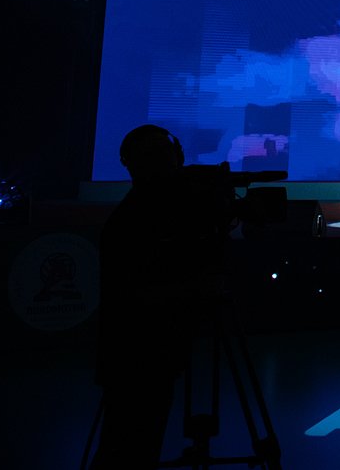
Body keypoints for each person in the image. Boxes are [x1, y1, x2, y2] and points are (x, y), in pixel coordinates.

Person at [91, 125, 221, 469]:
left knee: (129, 446)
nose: (167, 164)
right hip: (138, 356)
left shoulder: (142, 214)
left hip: (144, 354)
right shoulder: (134, 222)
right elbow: (139, 297)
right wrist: (197, 287)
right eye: (158, 156)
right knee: (128, 448)